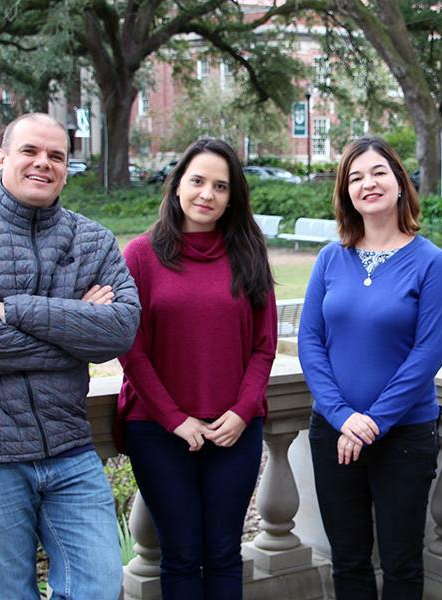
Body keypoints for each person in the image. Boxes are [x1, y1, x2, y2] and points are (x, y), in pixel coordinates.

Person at [0, 113, 141, 598]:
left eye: (56, 156)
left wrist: (14, 309)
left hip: (69, 447)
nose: (44, 163)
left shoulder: (93, 240)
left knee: (98, 588)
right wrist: (74, 327)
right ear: (1, 159)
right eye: (30, 152)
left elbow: (120, 331)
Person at [116, 138, 277, 600]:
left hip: (234, 430)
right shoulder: (142, 256)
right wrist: (175, 419)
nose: (207, 194)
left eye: (221, 186)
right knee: (182, 556)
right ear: (178, 186)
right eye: (198, 181)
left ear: (233, 196)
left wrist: (244, 411)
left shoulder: (248, 252)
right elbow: (131, 347)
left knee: (225, 552)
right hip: (159, 431)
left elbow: (264, 347)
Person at [298, 137, 442, 599]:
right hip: (333, 433)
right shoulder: (330, 258)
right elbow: (310, 343)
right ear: (346, 193)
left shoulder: (430, 262)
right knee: (347, 562)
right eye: (356, 177)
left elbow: (429, 351)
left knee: (402, 562)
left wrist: (371, 422)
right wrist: (343, 416)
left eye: (379, 172)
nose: (368, 183)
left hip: (404, 434)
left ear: (400, 183)